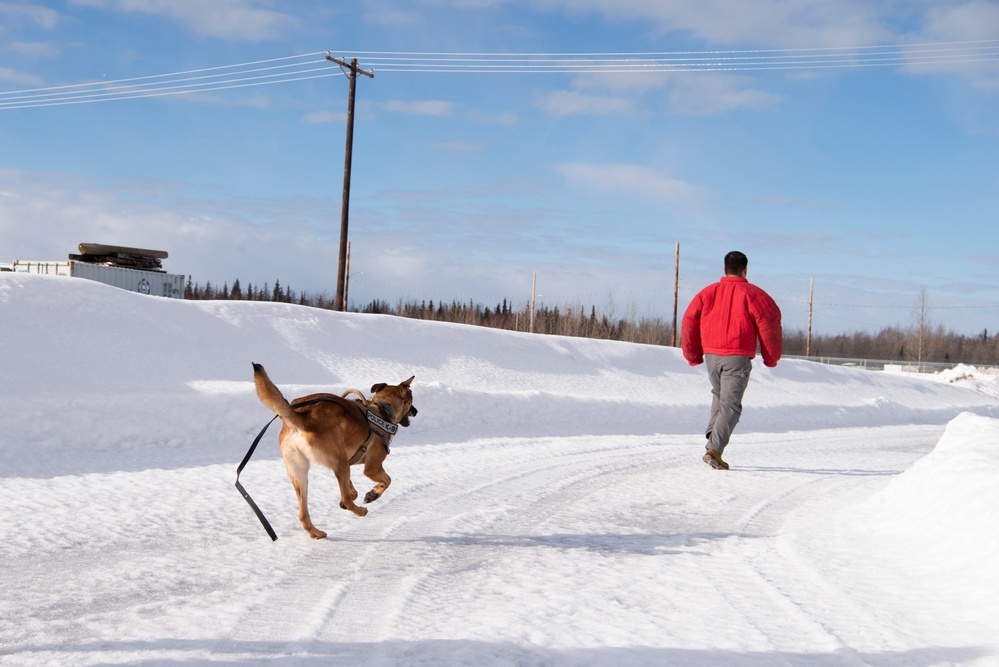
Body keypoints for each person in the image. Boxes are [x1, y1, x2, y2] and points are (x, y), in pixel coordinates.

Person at [681, 251, 782, 470]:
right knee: (731, 405)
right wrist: (771, 357)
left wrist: (693, 354)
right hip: (736, 356)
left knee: (719, 395)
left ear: (725, 269)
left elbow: (689, 320)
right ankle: (714, 450)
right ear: (745, 269)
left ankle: (714, 432)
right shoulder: (754, 294)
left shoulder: (707, 293)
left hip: (711, 356)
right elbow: (769, 323)